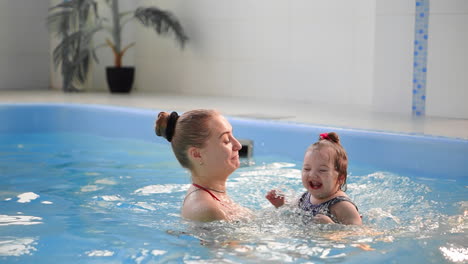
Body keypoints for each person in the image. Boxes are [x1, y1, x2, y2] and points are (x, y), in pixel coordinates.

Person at [155, 109, 252, 222]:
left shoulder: (213, 196)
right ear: (197, 154)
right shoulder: (208, 210)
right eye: (226, 140)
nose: (238, 145)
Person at [266, 132, 362, 225]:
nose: (312, 175)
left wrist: (331, 227)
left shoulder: (343, 206)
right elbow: (292, 215)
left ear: (340, 178)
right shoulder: (305, 197)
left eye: (322, 170)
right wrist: (281, 205)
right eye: (307, 169)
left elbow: (357, 234)